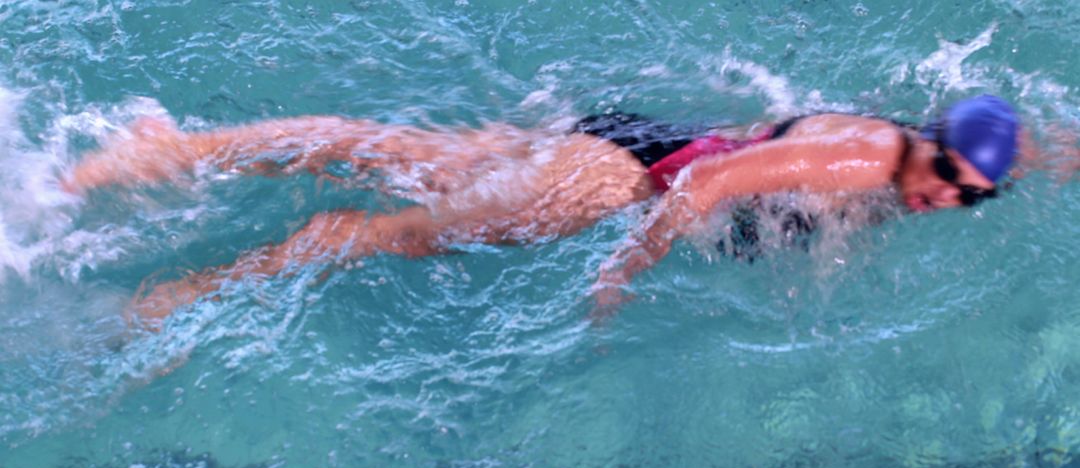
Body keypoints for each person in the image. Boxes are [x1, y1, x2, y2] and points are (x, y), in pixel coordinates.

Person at [62, 95, 1019, 325]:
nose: (943, 196)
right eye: (945, 171)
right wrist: (623, 269)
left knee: (395, 155)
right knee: (395, 232)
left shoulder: (906, 160)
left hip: (617, 137)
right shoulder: (866, 154)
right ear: (926, 135)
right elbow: (709, 186)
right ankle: (190, 290)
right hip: (616, 182)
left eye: (968, 199)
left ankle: (174, 150)